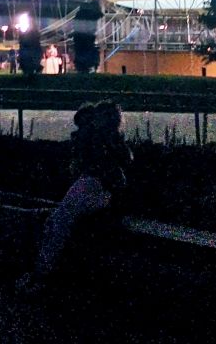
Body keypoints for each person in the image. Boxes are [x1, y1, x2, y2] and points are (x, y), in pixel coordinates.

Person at [20, 101, 132, 287]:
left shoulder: (98, 152)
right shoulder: (110, 147)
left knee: (58, 222)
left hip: (95, 188)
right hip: (98, 190)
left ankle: (40, 275)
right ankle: (41, 274)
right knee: (58, 221)